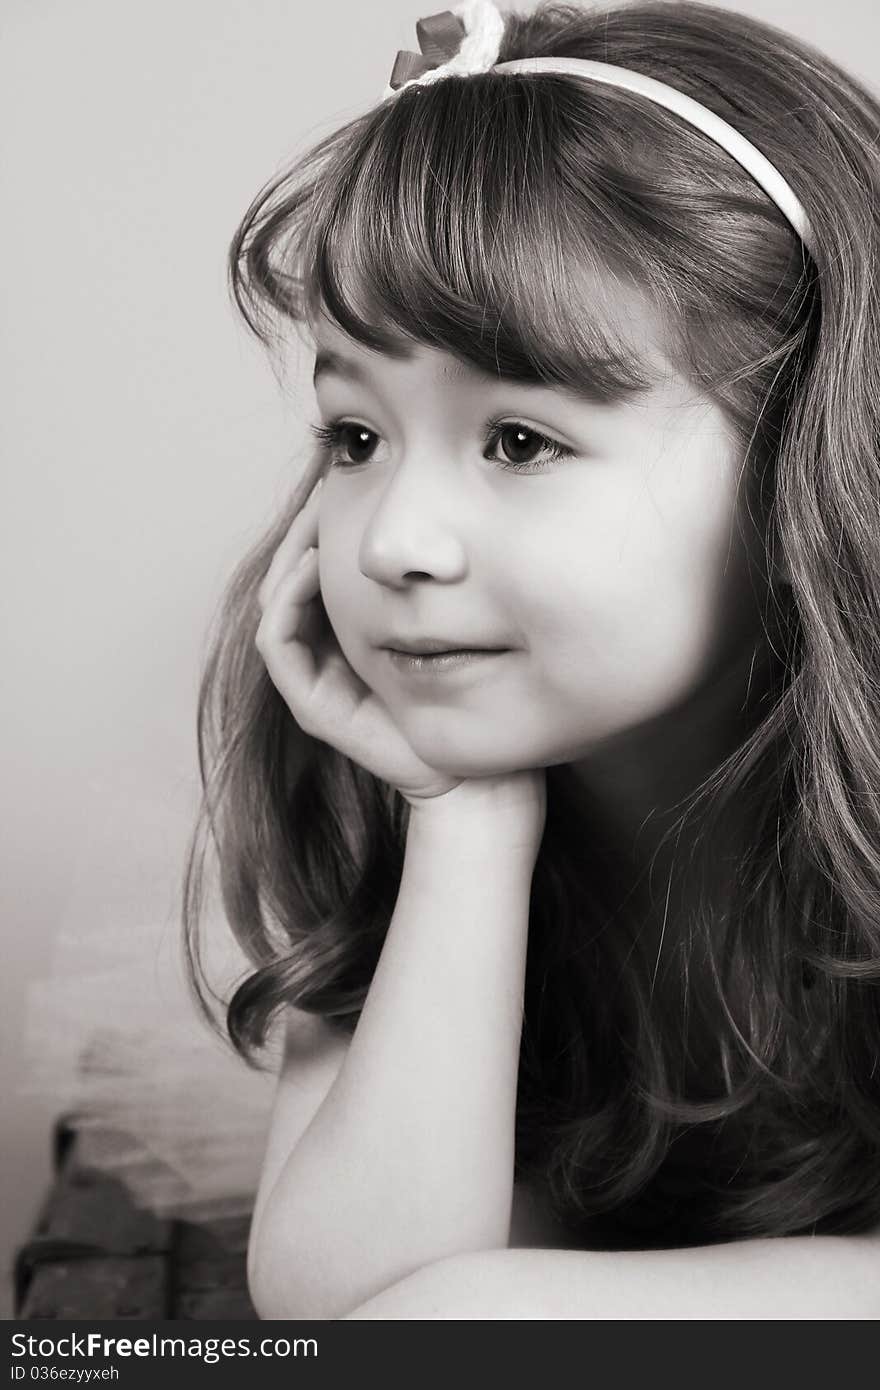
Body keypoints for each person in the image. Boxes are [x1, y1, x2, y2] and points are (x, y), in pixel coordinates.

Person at [183, 0, 880, 1318]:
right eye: (354, 436)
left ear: (808, 457)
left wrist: (491, 1305)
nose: (392, 542)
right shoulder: (387, 781)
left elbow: (438, 1318)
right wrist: (464, 821)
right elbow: (350, 1305)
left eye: (520, 441)